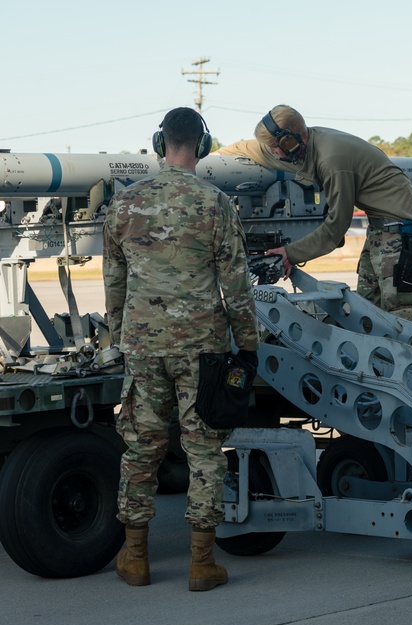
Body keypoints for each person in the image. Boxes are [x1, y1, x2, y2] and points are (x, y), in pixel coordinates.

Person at [103, 107, 259, 591]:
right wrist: (248, 344)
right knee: (204, 449)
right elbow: (236, 284)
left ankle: (135, 558)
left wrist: (120, 337)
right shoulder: (216, 204)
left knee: (141, 448)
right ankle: (200, 563)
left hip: (144, 348)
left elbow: (115, 284)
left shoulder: (124, 205)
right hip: (202, 349)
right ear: (203, 145)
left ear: (159, 142)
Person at [215, 104, 412, 324]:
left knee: (405, 318)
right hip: (380, 230)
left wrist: (289, 253)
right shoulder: (304, 145)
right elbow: (251, 148)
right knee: (370, 313)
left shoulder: (331, 159)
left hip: (402, 234)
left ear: (290, 142)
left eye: (274, 146)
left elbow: (336, 227)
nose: (272, 151)